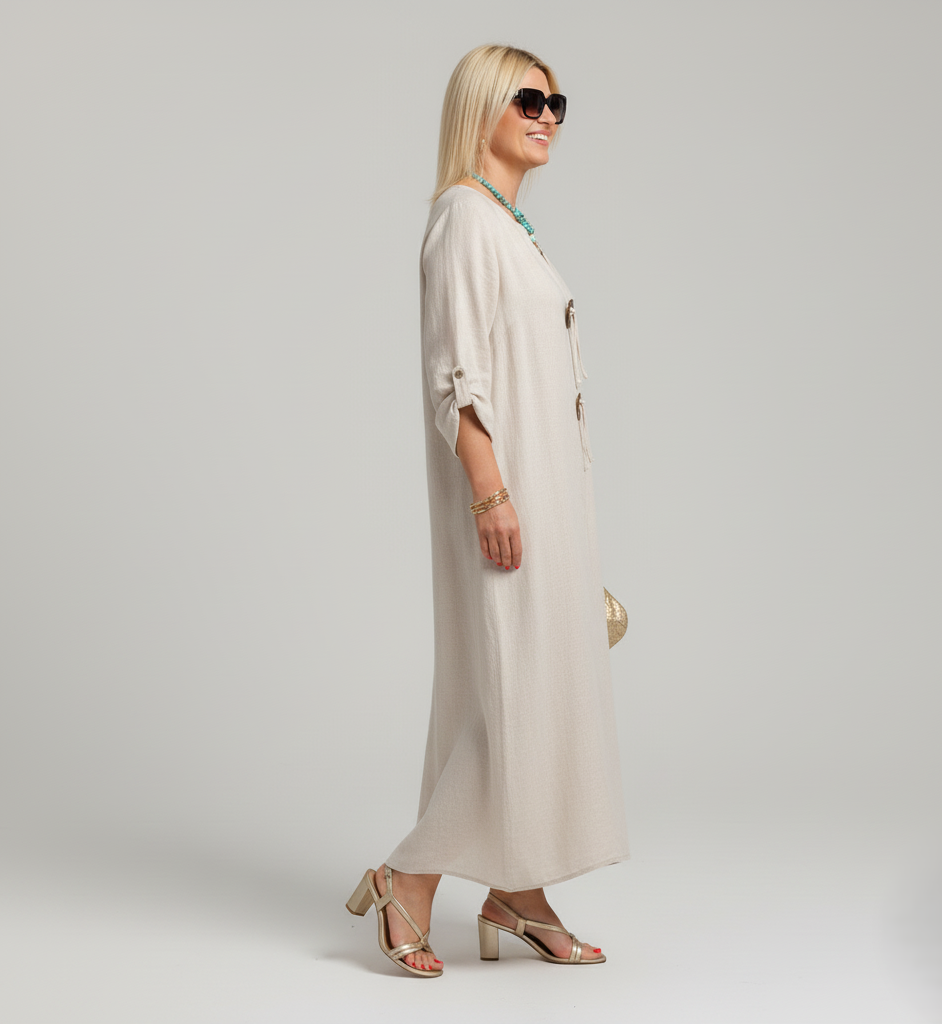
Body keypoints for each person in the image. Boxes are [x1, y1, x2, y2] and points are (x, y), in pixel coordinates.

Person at [346, 43, 629, 977]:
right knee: (503, 693)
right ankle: (408, 877)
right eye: (527, 100)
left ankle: (519, 890)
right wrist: (492, 493)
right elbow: (454, 374)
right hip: (505, 496)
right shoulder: (464, 218)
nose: (547, 116)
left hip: (544, 496)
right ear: (482, 109)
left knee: (536, 690)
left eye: (557, 103)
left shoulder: (506, 224)